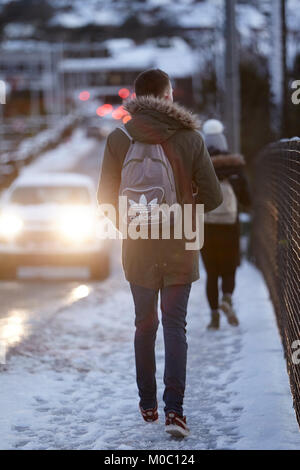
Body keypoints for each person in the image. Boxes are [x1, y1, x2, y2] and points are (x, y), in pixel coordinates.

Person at [97, 69, 222, 437]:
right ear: (168, 97)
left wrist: (134, 224)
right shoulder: (190, 138)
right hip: (180, 242)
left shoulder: (119, 138)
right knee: (174, 325)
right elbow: (213, 198)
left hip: (137, 246)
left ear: (136, 98)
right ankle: (176, 412)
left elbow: (105, 200)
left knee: (144, 324)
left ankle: (147, 402)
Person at [201, 119, 251, 330]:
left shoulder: (199, 165)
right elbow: (248, 199)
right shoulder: (235, 167)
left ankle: (214, 316)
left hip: (207, 227)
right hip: (230, 227)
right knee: (229, 269)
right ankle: (227, 298)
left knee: (212, 273)